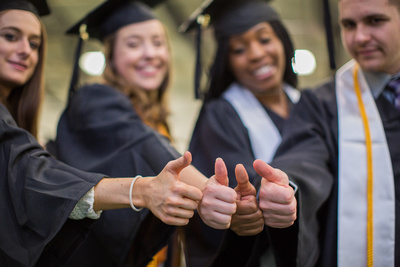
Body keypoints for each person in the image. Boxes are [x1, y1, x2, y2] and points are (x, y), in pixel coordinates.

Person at [0, 1, 216, 266]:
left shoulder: (158, 120)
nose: (150, 53)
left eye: (159, 43)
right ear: (110, 56)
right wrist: (207, 191)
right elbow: (143, 145)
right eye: (134, 44)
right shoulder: (94, 100)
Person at [214, 0, 400, 266]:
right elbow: (303, 160)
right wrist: (286, 188)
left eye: (375, 21)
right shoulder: (322, 104)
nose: (360, 37)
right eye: (348, 24)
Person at [179, 0, 300, 265]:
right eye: (239, 49)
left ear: (283, 42)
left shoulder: (306, 104)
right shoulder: (221, 114)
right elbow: (234, 198)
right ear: (227, 61)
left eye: (265, 39)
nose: (256, 54)